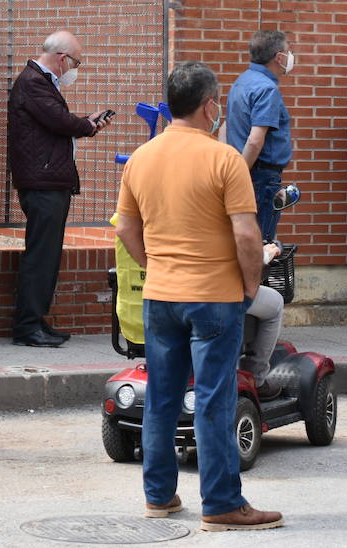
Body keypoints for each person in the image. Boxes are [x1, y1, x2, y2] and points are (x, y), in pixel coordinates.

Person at [114, 61, 282, 532]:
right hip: (213, 295)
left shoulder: (142, 157)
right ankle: (222, 503)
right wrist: (250, 284)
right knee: (213, 399)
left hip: (161, 295)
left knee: (162, 398)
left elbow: (126, 226)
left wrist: (153, 264)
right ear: (211, 106)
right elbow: (247, 236)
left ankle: (159, 496)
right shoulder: (224, 158)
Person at [7, 30, 112, 347]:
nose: (74, 69)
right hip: (43, 182)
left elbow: (57, 121)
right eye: (76, 62)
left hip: (47, 179)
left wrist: (83, 123)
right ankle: (27, 327)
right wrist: (89, 125)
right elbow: (59, 121)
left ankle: (36, 320)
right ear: (62, 58)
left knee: (46, 255)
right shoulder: (34, 82)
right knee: (41, 256)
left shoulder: (38, 82)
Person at [226, 29, 295, 246]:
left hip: (244, 170)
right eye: (287, 51)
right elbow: (256, 140)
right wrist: (241, 173)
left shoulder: (241, 82)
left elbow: (226, 127)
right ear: (279, 57)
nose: (290, 56)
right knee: (259, 244)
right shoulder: (267, 89)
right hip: (261, 175)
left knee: (241, 239)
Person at [243, 244, 285, 399]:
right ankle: (257, 377)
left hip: (171, 293)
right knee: (275, 303)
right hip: (218, 291)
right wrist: (266, 254)